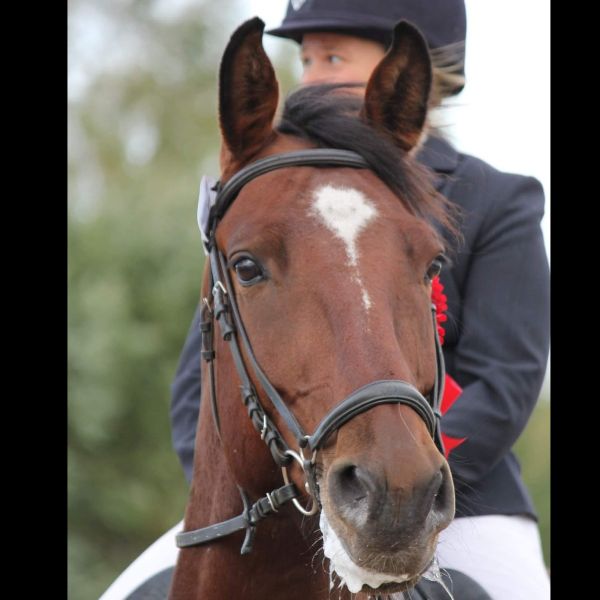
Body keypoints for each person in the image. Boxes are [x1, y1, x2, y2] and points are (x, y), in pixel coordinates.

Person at [103, 1, 550, 598]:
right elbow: (201, 388)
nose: (311, 79)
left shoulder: (498, 198)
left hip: (448, 501)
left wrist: (397, 473)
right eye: (306, 60)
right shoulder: (276, 204)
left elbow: (506, 381)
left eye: (333, 58)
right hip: (267, 507)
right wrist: (247, 490)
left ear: (408, 79)